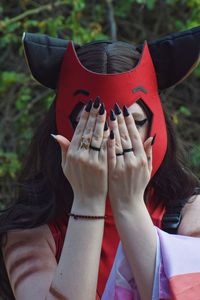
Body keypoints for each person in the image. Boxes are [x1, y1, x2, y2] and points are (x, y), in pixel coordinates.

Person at [0, 26, 200, 300]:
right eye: (90, 124)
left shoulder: (192, 217)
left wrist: (129, 205)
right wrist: (88, 201)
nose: (111, 142)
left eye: (134, 123)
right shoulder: (31, 233)